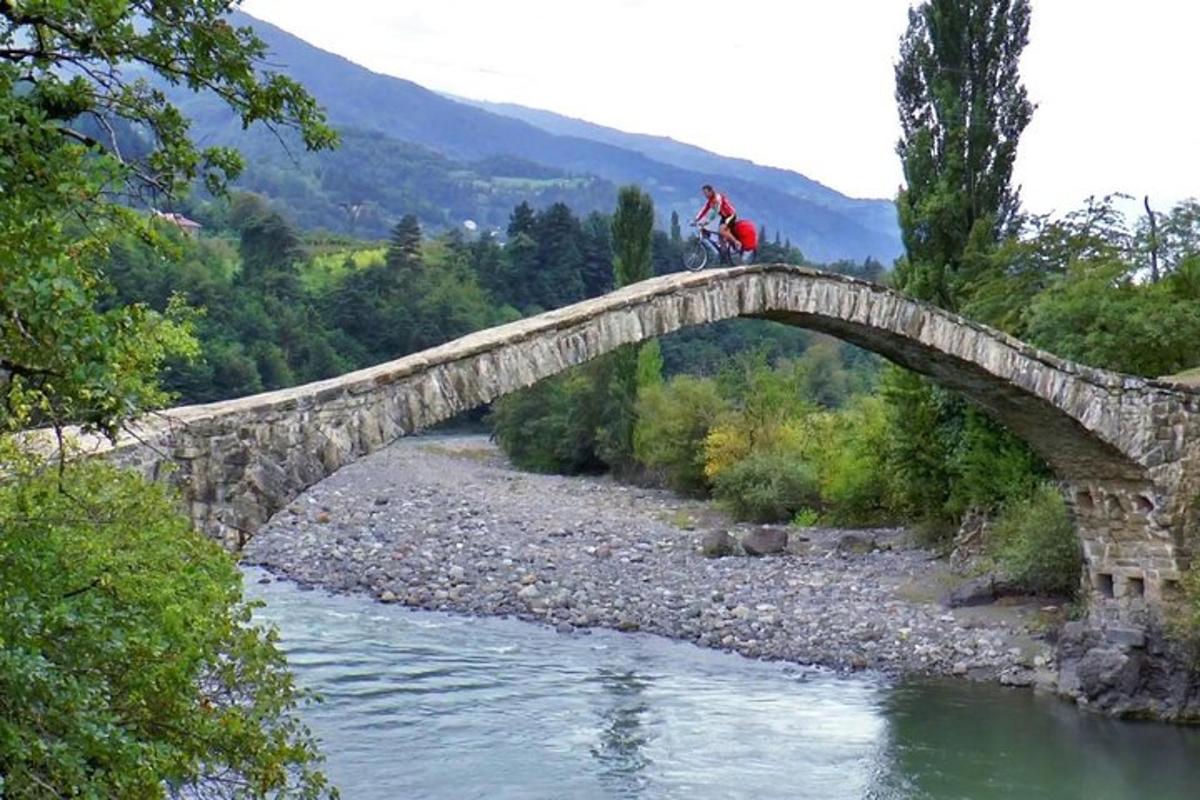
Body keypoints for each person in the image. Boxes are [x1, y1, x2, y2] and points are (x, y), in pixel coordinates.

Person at [693, 185, 738, 250]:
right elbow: (704, 210)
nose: (705, 195)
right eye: (704, 193)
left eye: (706, 193)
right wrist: (696, 219)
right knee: (720, 237)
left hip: (731, 215)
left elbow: (717, 210)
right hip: (724, 217)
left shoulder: (718, 197)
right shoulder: (710, 201)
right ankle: (724, 255)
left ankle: (736, 242)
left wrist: (708, 221)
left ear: (711, 191)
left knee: (722, 231)